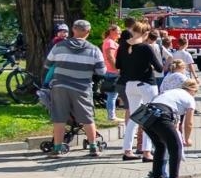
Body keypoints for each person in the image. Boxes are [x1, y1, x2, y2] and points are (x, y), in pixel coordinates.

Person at [43, 19, 105, 157]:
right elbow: (102, 71)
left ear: (73, 29)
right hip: (82, 87)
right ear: (88, 32)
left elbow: (47, 64)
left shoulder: (59, 46)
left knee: (59, 117)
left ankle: (57, 148)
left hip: (59, 85)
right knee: (87, 118)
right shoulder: (94, 50)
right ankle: (93, 147)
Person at [133, 79, 197, 178]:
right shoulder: (189, 98)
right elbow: (189, 123)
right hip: (162, 116)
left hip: (147, 116)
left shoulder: (170, 92)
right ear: (193, 90)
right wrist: (187, 138)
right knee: (176, 147)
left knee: (160, 146)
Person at [117, 20, 164, 162]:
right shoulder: (146, 47)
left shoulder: (123, 46)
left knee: (133, 118)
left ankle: (127, 150)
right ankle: (146, 152)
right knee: (149, 118)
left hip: (130, 85)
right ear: (146, 33)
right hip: (147, 85)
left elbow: (118, 65)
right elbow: (159, 68)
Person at [100, 25, 121, 123]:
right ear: (112, 31)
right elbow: (110, 57)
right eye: (118, 31)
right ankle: (111, 116)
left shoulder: (109, 41)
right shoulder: (109, 42)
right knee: (112, 95)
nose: (119, 33)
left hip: (110, 71)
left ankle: (111, 115)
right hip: (112, 72)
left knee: (112, 95)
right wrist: (116, 69)